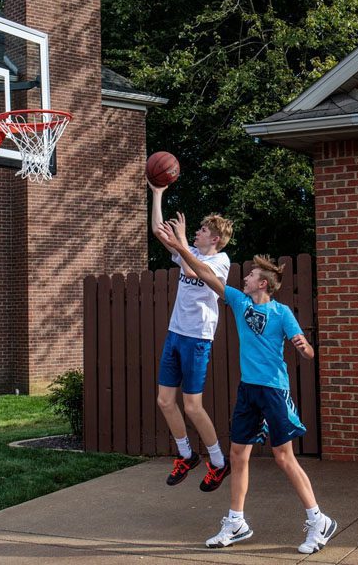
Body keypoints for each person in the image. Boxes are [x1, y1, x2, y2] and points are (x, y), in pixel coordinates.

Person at [156, 219, 336, 555]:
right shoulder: (240, 302)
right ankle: (236, 521)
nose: (246, 277)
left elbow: (309, 353)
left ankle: (318, 520)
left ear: (263, 284)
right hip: (248, 391)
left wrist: (303, 346)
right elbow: (205, 274)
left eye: (252, 275)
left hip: (273, 391)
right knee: (238, 456)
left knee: (284, 457)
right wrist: (182, 248)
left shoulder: (282, 314)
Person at [150, 182, 234, 492]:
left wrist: (183, 242)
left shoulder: (219, 261)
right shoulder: (192, 251)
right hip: (175, 334)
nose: (196, 233)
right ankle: (186, 455)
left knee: (193, 407)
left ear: (214, 238)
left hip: (198, 339)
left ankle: (218, 461)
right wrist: (158, 192)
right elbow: (160, 232)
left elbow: (193, 273)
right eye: (194, 231)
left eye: (200, 231)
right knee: (164, 400)